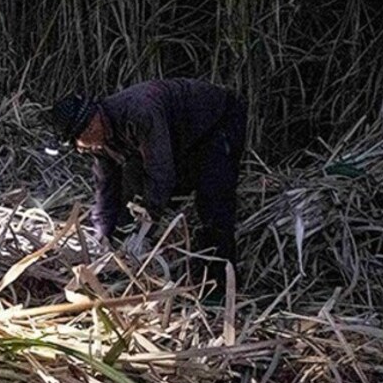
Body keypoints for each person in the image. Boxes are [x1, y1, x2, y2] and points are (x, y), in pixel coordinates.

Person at [47, 78, 247, 289]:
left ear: (88, 127)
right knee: (133, 188)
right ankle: (131, 258)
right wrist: (103, 235)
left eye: (77, 142)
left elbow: (161, 172)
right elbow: (106, 186)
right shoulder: (100, 137)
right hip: (178, 133)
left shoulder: (140, 112)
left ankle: (222, 283)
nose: (79, 149)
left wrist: (145, 227)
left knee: (213, 199)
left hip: (218, 122)